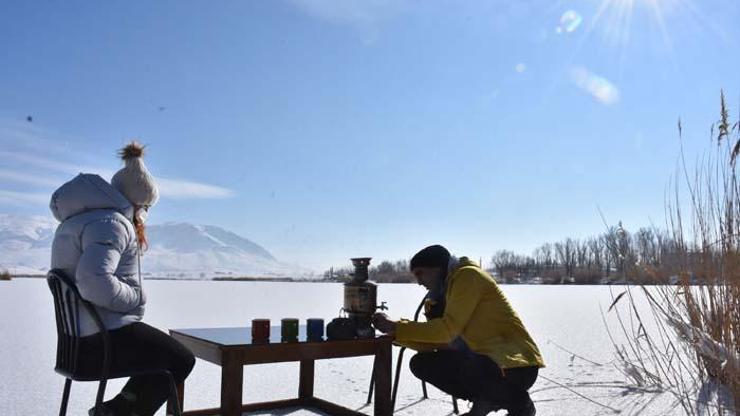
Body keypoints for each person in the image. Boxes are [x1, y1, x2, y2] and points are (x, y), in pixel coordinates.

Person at [50, 142, 195, 416]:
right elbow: (93, 281)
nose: (145, 215)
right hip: (99, 345)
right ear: (137, 202)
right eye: (147, 207)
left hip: (77, 342)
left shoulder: (78, 221)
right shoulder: (112, 223)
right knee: (181, 359)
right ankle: (121, 412)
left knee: (164, 353)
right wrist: (135, 296)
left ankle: (118, 409)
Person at [372, 245, 544, 416]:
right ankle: (486, 400)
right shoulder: (443, 292)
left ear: (438, 268)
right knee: (422, 364)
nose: (419, 282)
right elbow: (439, 341)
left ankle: (517, 401)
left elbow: (446, 331)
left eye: (420, 273)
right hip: (486, 361)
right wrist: (395, 333)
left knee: (468, 366)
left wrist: (397, 327)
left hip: (515, 366)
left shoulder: (468, 276)